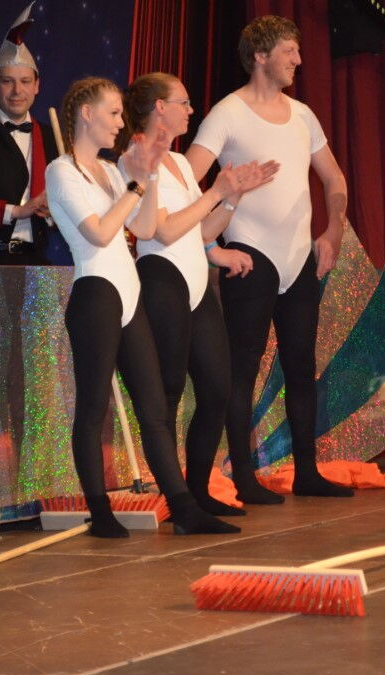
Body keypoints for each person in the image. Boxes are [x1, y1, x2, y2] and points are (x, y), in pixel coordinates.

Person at [45, 77, 238, 537]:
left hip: (131, 294)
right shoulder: (61, 170)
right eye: (112, 113)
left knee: (153, 409)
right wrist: (136, 184)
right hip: (96, 294)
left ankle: (184, 509)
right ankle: (100, 512)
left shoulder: (110, 172)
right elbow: (99, 233)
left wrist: (146, 178)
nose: (120, 122)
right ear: (86, 114)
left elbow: (146, 227)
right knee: (93, 408)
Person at [186, 15, 353, 504]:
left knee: (301, 367)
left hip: (299, 257)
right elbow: (186, 180)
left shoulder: (303, 115)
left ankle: (307, 472)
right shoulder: (227, 114)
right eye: (289, 52)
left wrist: (334, 228)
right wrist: (213, 243)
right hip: (250, 254)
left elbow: (334, 179)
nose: (298, 60)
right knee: (242, 370)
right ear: (261, 56)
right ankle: (244, 478)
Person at [118, 72, 277, 516]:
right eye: (184, 102)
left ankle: (199, 491)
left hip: (196, 281)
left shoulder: (181, 163)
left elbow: (203, 231)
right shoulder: (133, 159)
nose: (191, 110)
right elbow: (164, 230)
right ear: (159, 108)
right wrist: (217, 193)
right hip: (162, 278)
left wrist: (232, 197)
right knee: (167, 394)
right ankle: (180, 502)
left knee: (217, 388)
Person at [0, 3, 69, 265]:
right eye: (7, 81)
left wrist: (54, 211)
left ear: (37, 86)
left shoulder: (52, 138)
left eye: (25, 82)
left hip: (36, 259)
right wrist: (14, 211)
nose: (17, 91)